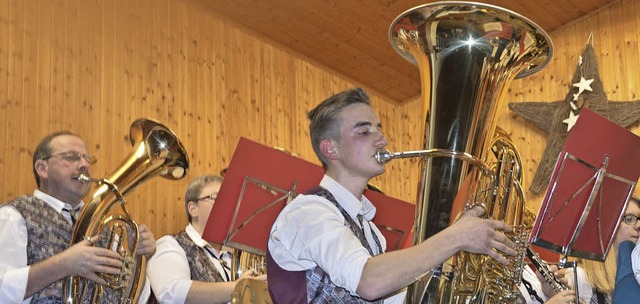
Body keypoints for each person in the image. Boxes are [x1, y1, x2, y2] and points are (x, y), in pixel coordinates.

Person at [266, 87, 518, 303]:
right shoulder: (309, 212)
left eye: (378, 129)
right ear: (330, 148)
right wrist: (457, 236)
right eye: (364, 132)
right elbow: (369, 281)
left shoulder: (370, 232)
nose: (382, 139)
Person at [0, 131, 155, 303]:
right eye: (71, 157)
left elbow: (130, 297)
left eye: (87, 158)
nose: (84, 165)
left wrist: (139, 258)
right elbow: (2, 289)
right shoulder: (14, 215)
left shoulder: (104, 227)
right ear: (42, 169)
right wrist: (64, 264)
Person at [146, 174, 267, 304]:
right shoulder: (170, 244)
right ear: (193, 209)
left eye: (228, 200)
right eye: (216, 197)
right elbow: (171, 293)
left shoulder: (234, 256)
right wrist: (238, 287)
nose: (226, 205)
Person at [556, 196, 640, 304]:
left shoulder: (635, 274)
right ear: (607, 226)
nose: (639, 225)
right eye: (629, 219)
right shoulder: (579, 278)